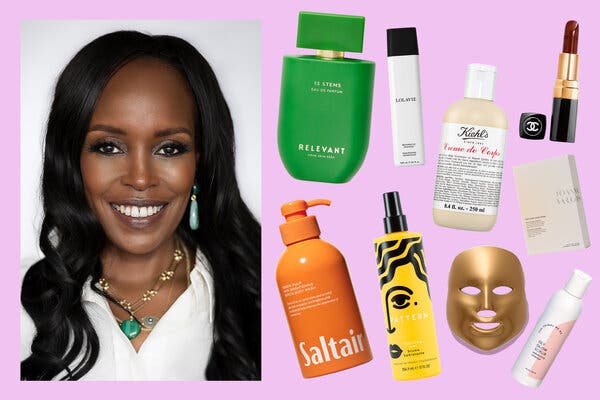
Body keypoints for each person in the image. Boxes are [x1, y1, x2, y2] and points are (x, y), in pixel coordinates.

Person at [20, 31, 261, 380]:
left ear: (200, 161)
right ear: (73, 160)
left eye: (169, 148)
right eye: (108, 147)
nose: (140, 178)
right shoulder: (13, 301)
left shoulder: (269, 293)